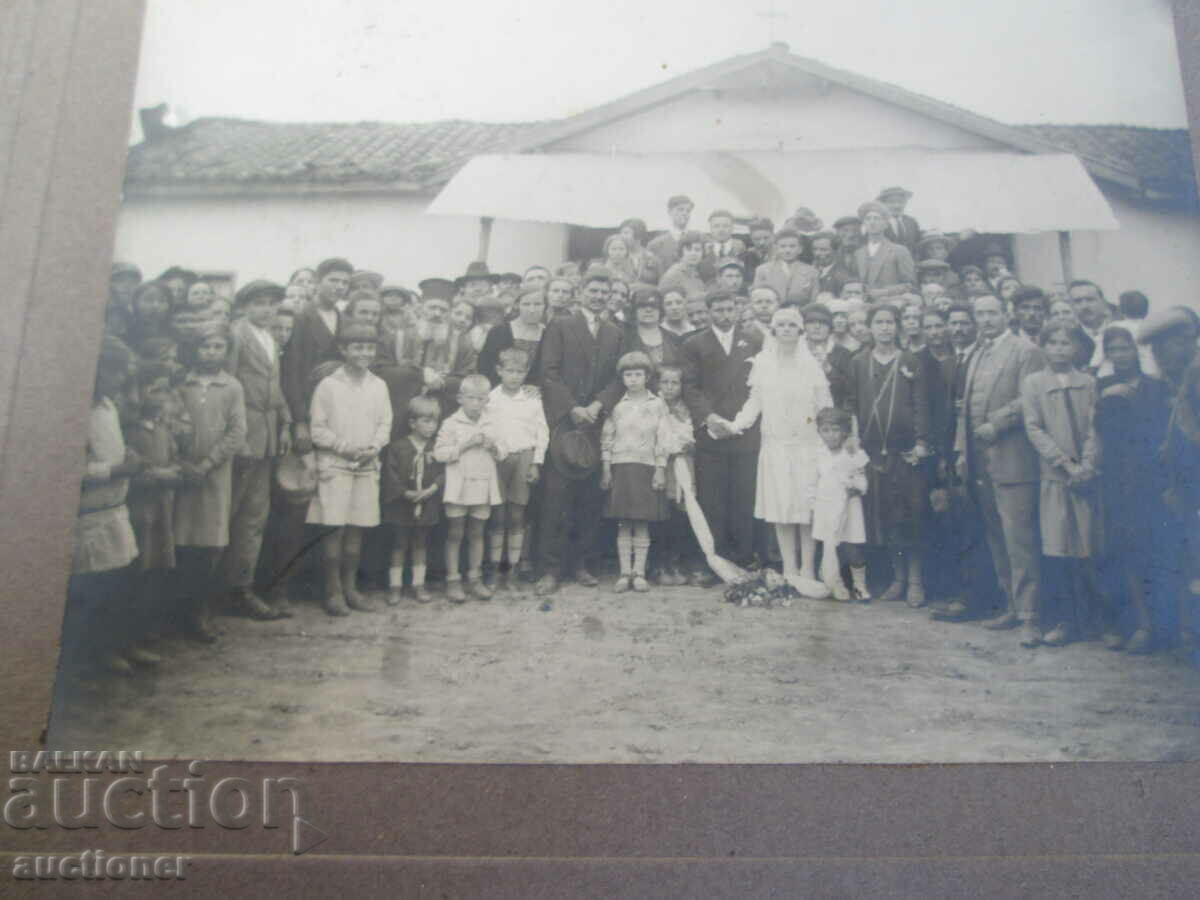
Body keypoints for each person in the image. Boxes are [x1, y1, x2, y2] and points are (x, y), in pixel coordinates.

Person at [955, 294, 1046, 647]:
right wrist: (962, 451)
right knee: (997, 537)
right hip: (981, 461)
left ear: (1006, 315)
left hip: (1013, 459)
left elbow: (1029, 397)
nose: (986, 319)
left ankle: (1030, 616)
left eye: (992, 313)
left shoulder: (1025, 351)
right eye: (980, 314)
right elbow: (964, 409)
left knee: (1020, 540)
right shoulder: (977, 352)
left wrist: (998, 423)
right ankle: (1010, 605)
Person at [724, 306, 832, 595]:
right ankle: (790, 569)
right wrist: (735, 425)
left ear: (800, 330)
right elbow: (754, 402)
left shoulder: (811, 365)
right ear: (773, 330)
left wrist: (827, 440)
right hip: (775, 446)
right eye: (780, 325)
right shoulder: (763, 363)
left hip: (807, 446)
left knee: (806, 509)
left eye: (791, 325)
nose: (786, 329)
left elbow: (825, 406)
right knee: (781, 507)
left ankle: (807, 568)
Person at [535, 268, 623, 596]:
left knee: (589, 498)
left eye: (604, 292)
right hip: (565, 421)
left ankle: (581, 564)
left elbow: (618, 378)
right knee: (557, 497)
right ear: (581, 291)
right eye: (593, 291)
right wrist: (572, 407)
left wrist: (599, 405)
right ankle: (551, 568)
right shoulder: (561, 326)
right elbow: (549, 373)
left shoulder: (615, 332)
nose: (598, 297)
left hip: (596, 422)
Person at [1021, 323, 1106, 647]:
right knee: (1058, 549)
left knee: (1090, 547)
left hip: (1086, 477)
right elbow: (1034, 428)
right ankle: (1063, 620)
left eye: (1065, 343)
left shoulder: (1088, 383)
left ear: (1076, 348)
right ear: (1043, 347)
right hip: (1056, 477)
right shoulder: (1034, 383)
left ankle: (1097, 621)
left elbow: (1095, 427)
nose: (1059, 349)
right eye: (1053, 342)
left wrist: (1087, 465)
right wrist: (1065, 463)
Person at [63, 337, 144, 676]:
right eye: (115, 372)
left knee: (120, 580)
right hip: (89, 516)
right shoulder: (74, 411)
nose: (121, 379)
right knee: (93, 588)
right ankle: (94, 652)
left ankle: (118, 642)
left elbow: (111, 447)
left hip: (115, 509)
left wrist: (128, 457)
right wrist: (115, 470)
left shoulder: (108, 406)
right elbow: (69, 470)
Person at [848, 304, 932, 607]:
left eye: (890, 322)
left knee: (911, 515)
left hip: (905, 452)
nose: (885, 327)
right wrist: (854, 437)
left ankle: (916, 581)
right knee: (886, 517)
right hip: (873, 453)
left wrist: (921, 442)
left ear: (898, 327)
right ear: (870, 327)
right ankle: (898, 578)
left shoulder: (911, 361)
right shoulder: (859, 362)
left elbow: (921, 404)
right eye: (879, 322)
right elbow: (852, 403)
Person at [307, 322, 393, 616]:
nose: (364, 353)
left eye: (369, 348)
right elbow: (318, 429)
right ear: (343, 350)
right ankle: (332, 592)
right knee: (334, 528)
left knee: (357, 528)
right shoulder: (328, 386)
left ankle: (350, 588)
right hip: (335, 466)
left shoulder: (379, 385)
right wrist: (345, 448)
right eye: (357, 347)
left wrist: (373, 448)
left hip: (366, 466)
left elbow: (385, 424)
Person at [1093, 326, 1170, 653]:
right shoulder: (1102, 386)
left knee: (1155, 548)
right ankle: (1137, 624)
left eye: (1124, 348)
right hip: (1116, 478)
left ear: (1135, 351)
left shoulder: (1156, 387)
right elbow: (1099, 433)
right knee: (1123, 549)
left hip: (1151, 478)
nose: (1120, 355)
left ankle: (1162, 626)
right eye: (1113, 350)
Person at [221, 280, 293, 620]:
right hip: (243, 436)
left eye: (272, 303)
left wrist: (286, 423)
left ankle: (241, 588)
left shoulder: (270, 338)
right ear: (245, 306)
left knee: (254, 517)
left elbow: (274, 388)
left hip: (266, 437)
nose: (266, 309)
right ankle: (211, 594)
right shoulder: (237, 334)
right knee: (228, 513)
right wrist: (239, 439)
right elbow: (228, 384)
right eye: (259, 303)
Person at [681, 289, 764, 581]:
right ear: (708, 311)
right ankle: (714, 561)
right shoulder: (694, 344)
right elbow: (690, 387)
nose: (725, 315)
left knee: (743, 495)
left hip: (745, 429)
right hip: (711, 431)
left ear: (737, 310)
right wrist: (709, 417)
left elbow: (759, 386)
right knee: (712, 498)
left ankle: (743, 558)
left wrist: (741, 421)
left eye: (729, 309)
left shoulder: (753, 341)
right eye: (718, 310)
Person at [173, 324, 248, 642]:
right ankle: (173, 613)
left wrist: (207, 464)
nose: (211, 353)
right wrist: (181, 462)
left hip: (214, 475)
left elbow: (237, 432)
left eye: (218, 347)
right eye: (206, 346)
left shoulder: (232, 386)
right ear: (195, 349)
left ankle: (200, 613)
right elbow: (169, 422)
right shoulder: (181, 383)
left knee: (209, 545)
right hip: (181, 474)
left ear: (226, 351)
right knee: (179, 540)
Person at [124, 361, 185, 665]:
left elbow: (174, 458)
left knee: (154, 570)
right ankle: (124, 641)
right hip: (140, 509)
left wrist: (174, 471)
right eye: (154, 390)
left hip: (161, 509)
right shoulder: (131, 430)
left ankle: (142, 632)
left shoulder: (163, 427)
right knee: (134, 572)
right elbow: (132, 471)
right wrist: (160, 475)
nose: (161, 397)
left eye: (164, 390)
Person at [601, 351, 672, 592]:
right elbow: (607, 437)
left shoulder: (657, 404)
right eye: (628, 375)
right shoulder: (617, 405)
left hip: (646, 467)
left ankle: (639, 573)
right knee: (624, 521)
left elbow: (663, 438)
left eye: (638, 374)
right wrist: (606, 468)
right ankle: (624, 573)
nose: (633, 379)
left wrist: (660, 469)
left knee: (641, 521)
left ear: (647, 376)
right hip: (621, 466)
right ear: (622, 378)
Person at [434, 374, 504, 602]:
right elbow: (439, 453)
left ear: (487, 400)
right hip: (459, 487)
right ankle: (453, 580)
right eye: (471, 398)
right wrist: (465, 445)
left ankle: (474, 578)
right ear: (460, 398)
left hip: (483, 486)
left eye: (481, 399)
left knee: (477, 533)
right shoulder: (451, 423)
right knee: (455, 533)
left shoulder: (492, 422)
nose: (476, 403)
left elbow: (503, 451)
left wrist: (492, 446)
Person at [486, 349, 548, 593]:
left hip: (524, 457)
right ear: (499, 371)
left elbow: (542, 433)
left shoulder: (532, 400)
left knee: (517, 515)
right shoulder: (490, 399)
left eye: (520, 372)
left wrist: (536, 463)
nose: (514, 376)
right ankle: (494, 570)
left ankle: (512, 570)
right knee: (497, 516)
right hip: (497, 460)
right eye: (509, 371)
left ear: (526, 373)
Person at [284, 257, 352, 454]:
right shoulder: (300, 316)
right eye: (333, 280)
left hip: (337, 408)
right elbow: (291, 371)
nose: (339, 286)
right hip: (306, 407)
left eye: (345, 282)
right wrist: (299, 421)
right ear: (317, 282)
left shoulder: (345, 319)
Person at [382, 395, 445, 605]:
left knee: (421, 544)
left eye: (434, 421)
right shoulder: (398, 447)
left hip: (427, 502)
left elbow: (444, 472)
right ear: (412, 423)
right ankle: (395, 586)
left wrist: (432, 489)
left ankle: (419, 584)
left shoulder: (437, 448)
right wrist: (404, 493)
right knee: (399, 544)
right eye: (426, 421)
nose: (431, 426)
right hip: (402, 504)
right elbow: (390, 475)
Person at [389, 278, 478, 411]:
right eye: (432, 307)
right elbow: (382, 370)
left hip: (441, 408)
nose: (437, 314)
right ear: (421, 308)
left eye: (443, 310)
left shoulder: (462, 343)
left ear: (449, 313)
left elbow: (468, 378)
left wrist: (443, 383)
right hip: (400, 405)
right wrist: (419, 374)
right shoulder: (399, 336)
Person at [811, 406, 870, 601]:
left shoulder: (852, 452)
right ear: (819, 432)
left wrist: (857, 487)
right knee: (830, 547)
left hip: (849, 506)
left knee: (853, 548)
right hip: (826, 507)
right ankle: (835, 582)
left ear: (845, 431)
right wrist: (813, 505)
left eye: (836, 429)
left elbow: (862, 479)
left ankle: (859, 585)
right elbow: (812, 482)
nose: (831, 435)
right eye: (825, 430)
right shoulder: (818, 454)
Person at [653, 363, 697, 585]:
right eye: (665, 382)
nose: (669, 387)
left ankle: (675, 561)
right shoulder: (654, 406)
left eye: (674, 383)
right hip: (661, 464)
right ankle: (660, 564)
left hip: (683, 463)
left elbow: (689, 437)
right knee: (663, 511)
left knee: (681, 511)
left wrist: (687, 444)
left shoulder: (686, 408)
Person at [477, 287, 546, 385]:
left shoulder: (548, 334)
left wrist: (537, 387)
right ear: (517, 305)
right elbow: (484, 366)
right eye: (526, 304)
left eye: (537, 304)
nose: (532, 310)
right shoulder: (499, 331)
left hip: (534, 390)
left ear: (545, 306)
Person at [852, 201, 916, 301]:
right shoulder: (858, 253)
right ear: (864, 224)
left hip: (890, 303)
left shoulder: (899, 251)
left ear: (886, 224)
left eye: (877, 218)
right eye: (868, 219)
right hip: (862, 303)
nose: (872, 222)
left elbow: (910, 285)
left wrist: (883, 292)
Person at [802, 303, 853, 413]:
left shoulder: (843, 354)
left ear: (830, 327)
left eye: (823, 323)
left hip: (832, 414)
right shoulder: (796, 350)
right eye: (811, 322)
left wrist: (828, 369)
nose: (817, 327)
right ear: (804, 326)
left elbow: (848, 391)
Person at [752, 228, 818, 307]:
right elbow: (757, 297)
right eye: (783, 246)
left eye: (792, 246)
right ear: (776, 248)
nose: (787, 250)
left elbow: (813, 300)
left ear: (800, 249)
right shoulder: (763, 270)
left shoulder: (811, 272)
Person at [1068, 279, 1112, 371]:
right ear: (1071, 306)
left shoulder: (1119, 330)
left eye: (1090, 300)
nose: (1085, 306)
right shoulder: (1069, 339)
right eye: (1078, 301)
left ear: (1103, 302)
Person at [646, 194, 695, 275]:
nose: (685, 213)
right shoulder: (655, 245)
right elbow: (650, 275)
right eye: (680, 209)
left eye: (688, 211)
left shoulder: (698, 240)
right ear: (669, 212)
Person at [658, 231, 708, 302]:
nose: (693, 253)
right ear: (681, 252)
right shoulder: (672, 275)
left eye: (697, 250)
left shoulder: (696, 274)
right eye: (688, 250)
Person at [126, 281, 174, 351]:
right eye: (148, 300)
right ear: (135, 304)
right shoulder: (126, 336)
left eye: (162, 301)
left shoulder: (176, 335)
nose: (155, 306)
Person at [878, 186, 921, 258]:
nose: (897, 206)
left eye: (901, 202)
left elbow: (917, 246)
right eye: (891, 202)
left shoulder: (912, 222)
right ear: (883, 204)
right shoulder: (878, 222)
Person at [617, 218, 661, 285]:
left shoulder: (652, 258)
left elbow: (661, 284)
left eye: (626, 233)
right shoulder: (618, 257)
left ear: (638, 234)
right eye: (621, 233)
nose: (622, 236)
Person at [812, 232, 851, 296]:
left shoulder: (842, 277)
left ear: (836, 251)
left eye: (823, 250)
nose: (817, 253)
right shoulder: (809, 270)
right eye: (815, 249)